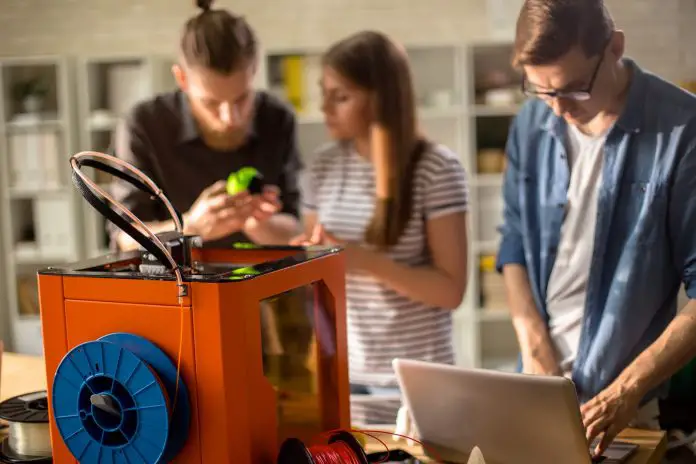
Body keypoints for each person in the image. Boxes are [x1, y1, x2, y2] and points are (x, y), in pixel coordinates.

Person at [497, 0, 696, 456]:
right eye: (541, 90)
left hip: (624, 409)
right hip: (533, 387)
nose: (559, 108)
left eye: (573, 88)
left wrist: (627, 389)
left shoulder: (684, 131)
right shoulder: (532, 122)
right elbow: (512, 243)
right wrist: (533, 345)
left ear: (615, 48)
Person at [292, 30, 469, 425]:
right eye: (324, 92)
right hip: (347, 384)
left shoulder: (436, 169)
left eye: (341, 96)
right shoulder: (322, 166)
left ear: (381, 99)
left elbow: (451, 290)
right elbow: (317, 271)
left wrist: (366, 261)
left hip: (422, 388)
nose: (325, 107)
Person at [108, 0, 301, 251]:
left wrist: (259, 225)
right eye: (211, 103)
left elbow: (295, 227)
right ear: (182, 79)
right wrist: (190, 227)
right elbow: (125, 239)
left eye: (242, 99)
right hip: (177, 287)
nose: (230, 118)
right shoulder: (143, 125)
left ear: (254, 71)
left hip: (264, 283)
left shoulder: (277, 118)